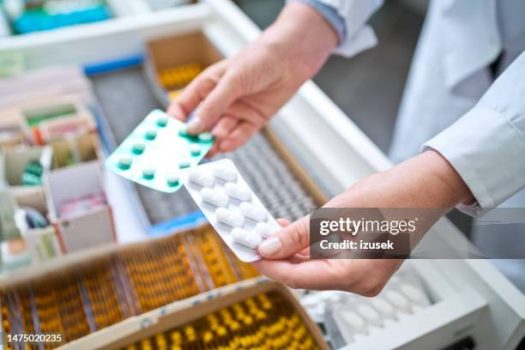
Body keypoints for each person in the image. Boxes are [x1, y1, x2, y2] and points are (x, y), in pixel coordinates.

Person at [168, 0, 525, 295]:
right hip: (468, 24)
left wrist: (441, 179)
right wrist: (295, 39)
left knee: (510, 272)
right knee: (404, 185)